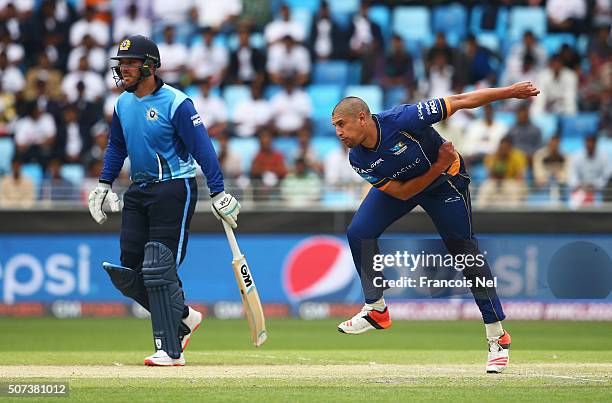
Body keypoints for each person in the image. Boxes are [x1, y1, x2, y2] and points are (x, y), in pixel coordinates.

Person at [331, 81, 540, 373]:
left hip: (446, 184)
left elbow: (462, 99)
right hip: (414, 182)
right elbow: (403, 193)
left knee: (465, 253)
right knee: (358, 232)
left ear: (362, 118)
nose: (338, 132)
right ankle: (376, 309)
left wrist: (510, 92)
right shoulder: (357, 158)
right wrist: (436, 164)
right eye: (335, 126)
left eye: (342, 124)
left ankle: (498, 337)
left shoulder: (404, 118)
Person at [87, 35, 240, 367]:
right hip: (138, 191)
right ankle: (183, 316)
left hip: (174, 188)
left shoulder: (176, 103)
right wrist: (103, 185)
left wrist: (219, 192)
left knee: (159, 266)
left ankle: (169, 349)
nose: (123, 69)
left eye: (129, 63)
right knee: (130, 269)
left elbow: (203, 149)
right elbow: (116, 147)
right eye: (120, 64)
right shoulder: (122, 104)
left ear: (150, 66)